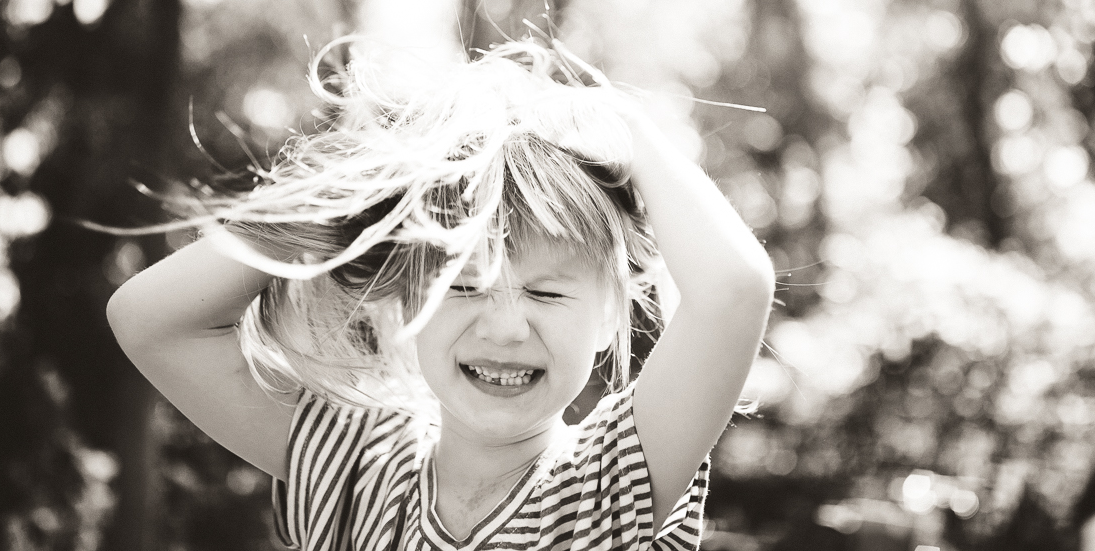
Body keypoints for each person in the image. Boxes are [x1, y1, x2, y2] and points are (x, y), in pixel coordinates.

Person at [106, 38, 775, 551]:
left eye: (546, 294)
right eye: (462, 284)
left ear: (609, 315)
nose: (507, 327)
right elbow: (147, 319)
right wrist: (346, 201)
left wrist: (621, 125)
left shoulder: (611, 482)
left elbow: (735, 291)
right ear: (404, 303)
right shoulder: (356, 469)